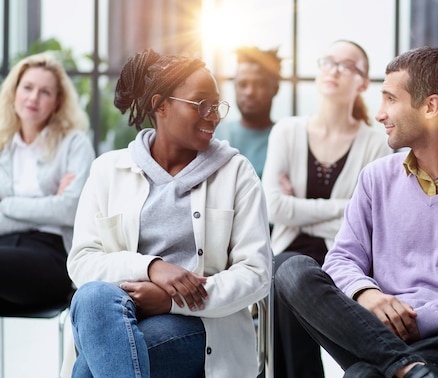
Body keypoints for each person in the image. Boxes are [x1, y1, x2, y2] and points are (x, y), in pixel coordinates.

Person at [274, 46, 438, 378]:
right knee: (291, 269)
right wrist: (367, 295)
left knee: (362, 376)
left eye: (390, 99)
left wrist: (420, 320)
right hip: (378, 331)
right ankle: (409, 368)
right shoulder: (375, 177)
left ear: (430, 107)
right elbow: (340, 259)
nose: (379, 113)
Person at [66, 49, 272, 377]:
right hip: (121, 309)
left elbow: (256, 274)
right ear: (161, 104)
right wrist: (151, 268)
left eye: (217, 105)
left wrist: (171, 301)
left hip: (201, 324)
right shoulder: (108, 170)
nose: (214, 115)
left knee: (94, 365)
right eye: (200, 104)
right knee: (92, 296)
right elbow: (82, 262)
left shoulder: (237, 172)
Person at [262, 39, 392, 377]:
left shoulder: (376, 143)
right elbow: (274, 207)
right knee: (285, 272)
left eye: (346, 65)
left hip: (344, 264)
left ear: (363, 82)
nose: (334, 69)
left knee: (289, 278)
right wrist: (343, 208)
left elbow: (369, 222)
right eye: (328, 61)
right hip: (285, 255)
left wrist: (301, 208)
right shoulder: (287, 131)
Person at [0, 52, 94, 313]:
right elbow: (58, 208)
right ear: (14, 92)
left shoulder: (74, 144)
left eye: (45, 92)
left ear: (57, 101)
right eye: (27, 88)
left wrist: (6, 205)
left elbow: (70, 209)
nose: (33, 98)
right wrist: (47, 205)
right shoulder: (2, 147)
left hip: (50, 255)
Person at [214, 46, 282, 178]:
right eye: (242, 84)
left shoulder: (285, 137)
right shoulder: (215, 135)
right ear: (235, 87)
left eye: (260, 84)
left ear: (275, 88)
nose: (249, 92)